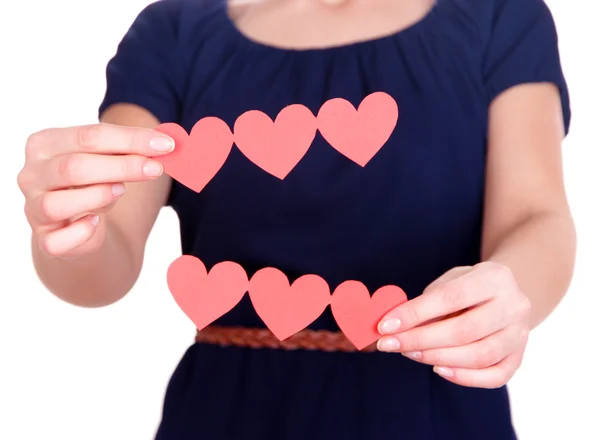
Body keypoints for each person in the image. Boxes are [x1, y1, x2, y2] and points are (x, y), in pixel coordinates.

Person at [17, 0, 576, 438]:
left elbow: (536, 214)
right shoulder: (171, 32)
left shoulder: (502, 14)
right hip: (222, 415)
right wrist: (70, 232)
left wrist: (507, 296)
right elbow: (106, 257)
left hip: (433, 406)